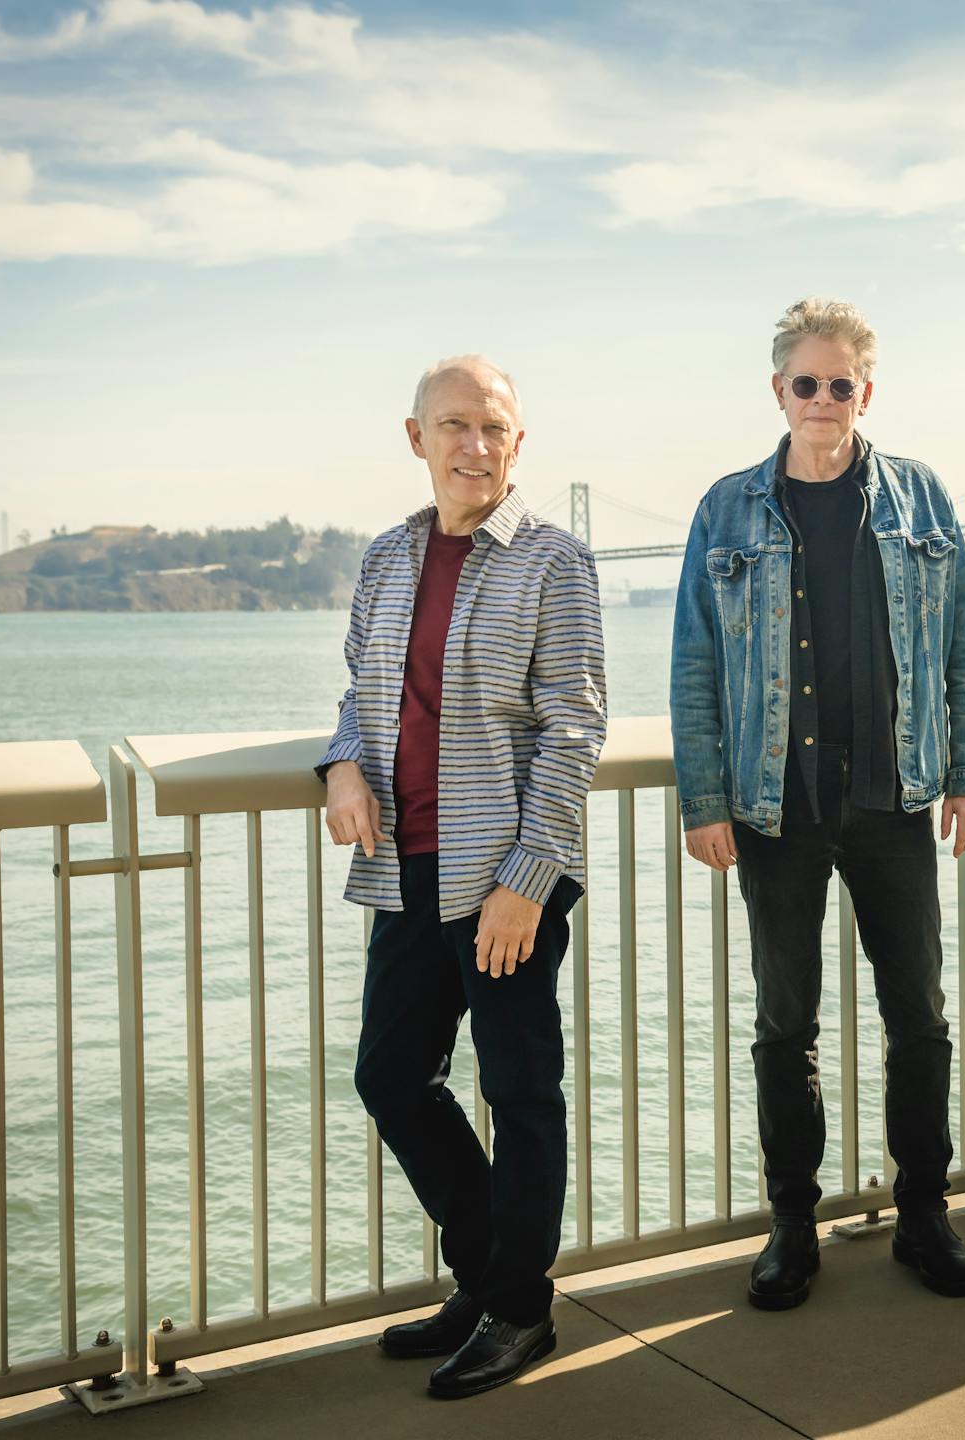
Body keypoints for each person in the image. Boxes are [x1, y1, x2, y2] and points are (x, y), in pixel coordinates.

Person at [669, 297, 965, 1310]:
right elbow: (692, 666)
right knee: (785, 1026)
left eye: (839, 384)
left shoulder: (924, 499)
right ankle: (790, 1229)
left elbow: (964, 654)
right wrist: (705, 799)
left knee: (922, 1018)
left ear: (866, 391)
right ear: (779, 392)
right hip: (776, 808)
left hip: (896, 797)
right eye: (804, 384)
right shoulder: (727, 509)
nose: (821, 400)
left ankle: (926, 1214)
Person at [318, 355, 607, 1396]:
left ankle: (520, 1313)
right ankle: (491, 1273)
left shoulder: (554, 561)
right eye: (455, 426)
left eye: (493, 428)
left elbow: (575, 730)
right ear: (417, 438)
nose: (475, 446)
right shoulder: (387, 557)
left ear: (518, 442)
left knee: (522, 1090)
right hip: (405, 868)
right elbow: (362, 692)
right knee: (391, 1077)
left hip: (505, 875)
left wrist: (528, 881)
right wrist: (344, 762)